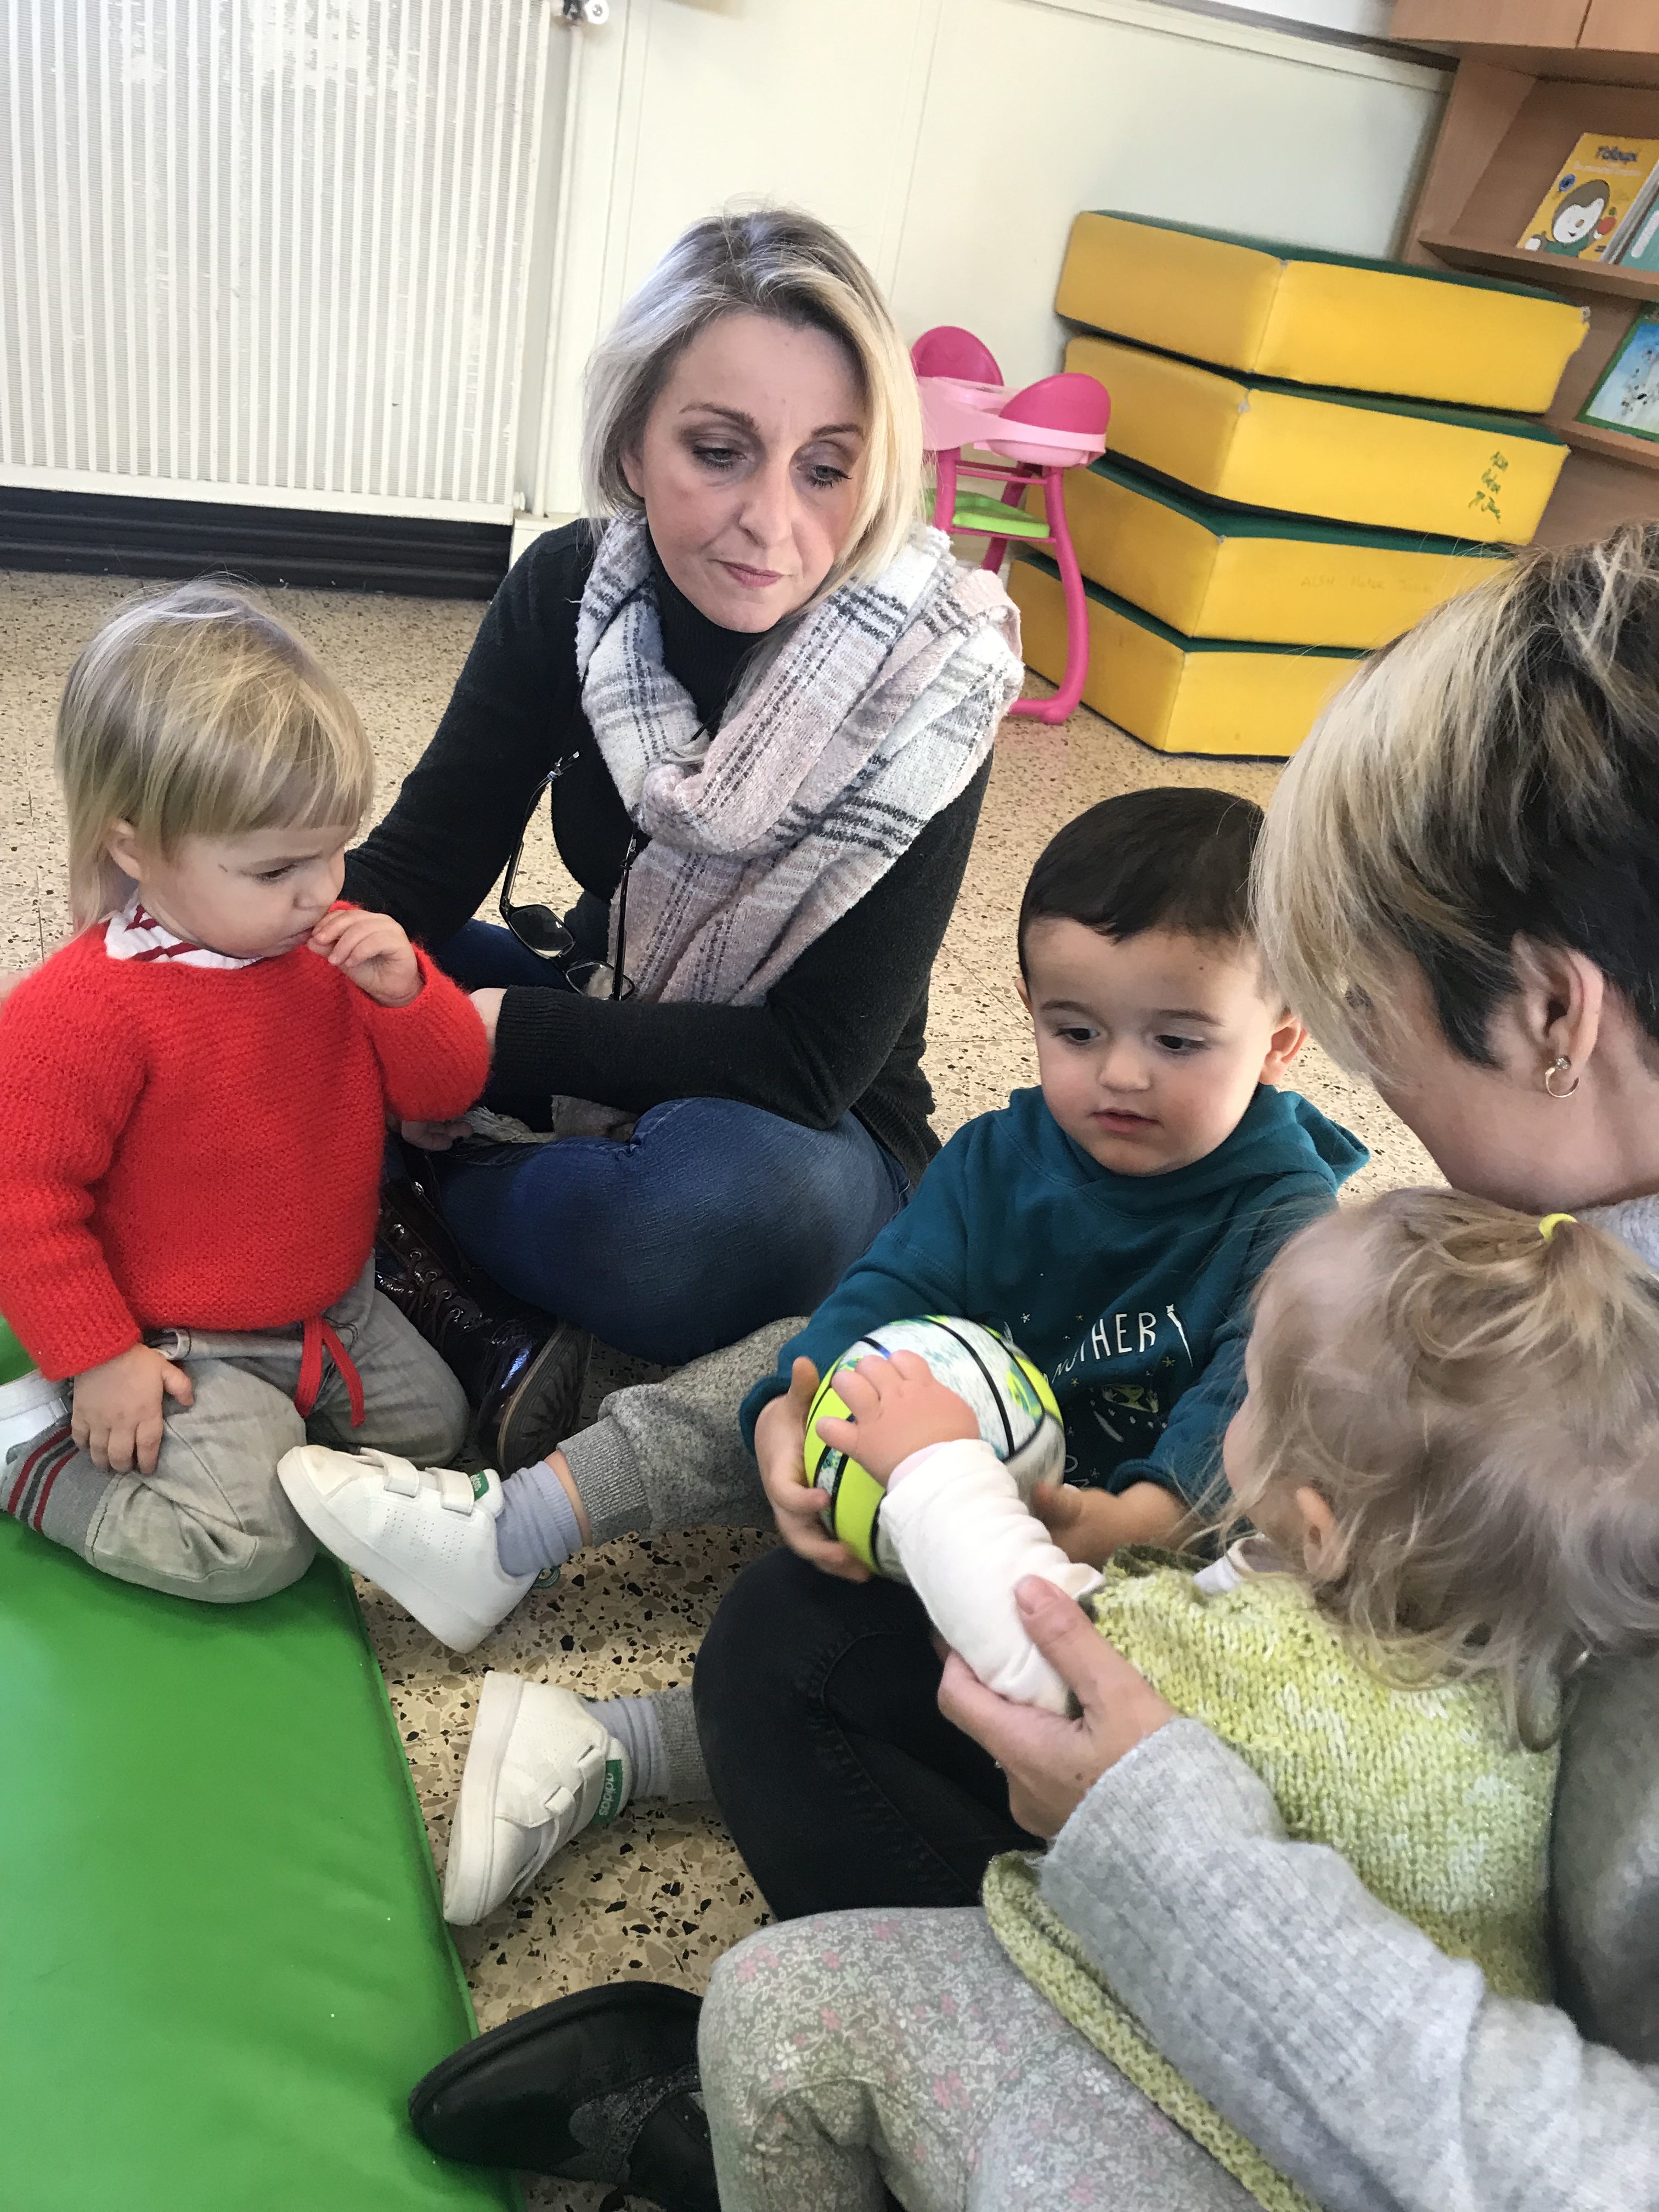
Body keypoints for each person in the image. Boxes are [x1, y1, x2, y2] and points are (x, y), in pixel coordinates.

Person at [403, 523, 1659, 2212]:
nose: (1385, 1102)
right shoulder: (1541, 1260)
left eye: (1370, 1020)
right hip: (1261, 1823)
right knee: (785, 1640)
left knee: (817, 1948)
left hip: (1356, 2054)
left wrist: (1147, 1797)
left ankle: (821, 2072)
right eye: (1076, 1031)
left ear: (1556, 1016)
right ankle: (557, 1564)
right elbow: (901, 1298)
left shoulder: (1353, 1242)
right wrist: (821, 1398)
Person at [315, 786, 1363, 1920]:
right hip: (941, 1467)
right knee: (800, 1357)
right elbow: (889, 1288)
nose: (1119, 1075)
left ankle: (608, 1746)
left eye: (1177, 1041)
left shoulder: (1290, 1220)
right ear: (1026, 1007)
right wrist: (786, 1412)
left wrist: (1125, 1523)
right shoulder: (1003, 1153)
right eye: (1077, 1031)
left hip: (1117, 1568)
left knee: (941, 1686)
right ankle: (511, 1532)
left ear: (1281, 1041)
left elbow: (1251, 1408)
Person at [697, 1188, 1655, 2210]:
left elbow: (1047, 1643)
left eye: (1250, 1395)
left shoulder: (1278, 1660)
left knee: (766, 2010)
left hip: (1211, 2115)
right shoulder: (1515, 1659)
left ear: (1318, 1533)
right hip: (1351, 2085)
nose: (1234, 1409)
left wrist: (936, 1467)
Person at [336, 206, 1023, 1477]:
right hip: (614, 1014)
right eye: (719, 452)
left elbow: (811, 1062)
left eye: (826, 469)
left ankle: (390, 1208)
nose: (772, 523)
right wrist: (180, 958)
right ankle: (441, 1239)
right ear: (632, 445)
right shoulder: (569, 591)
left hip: (806, 1132)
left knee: (690, 1214)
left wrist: (478, 1045)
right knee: (327, 967)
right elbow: (412, 876)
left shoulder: (933, 679)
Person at [0, 583, 488, 1603]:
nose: (322, 891)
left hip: (330, 1308)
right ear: (135, 848)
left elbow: (444, 1091)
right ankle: (31, 1454)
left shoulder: (329, 950)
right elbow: (23, 1203)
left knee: (442, 1436)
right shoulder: (81, 1014)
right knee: (252, 1548)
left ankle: (260, 1436)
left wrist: (408, 995)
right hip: (180, 1339)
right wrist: (101, 1358)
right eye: (275, 870)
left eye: (334, 850)